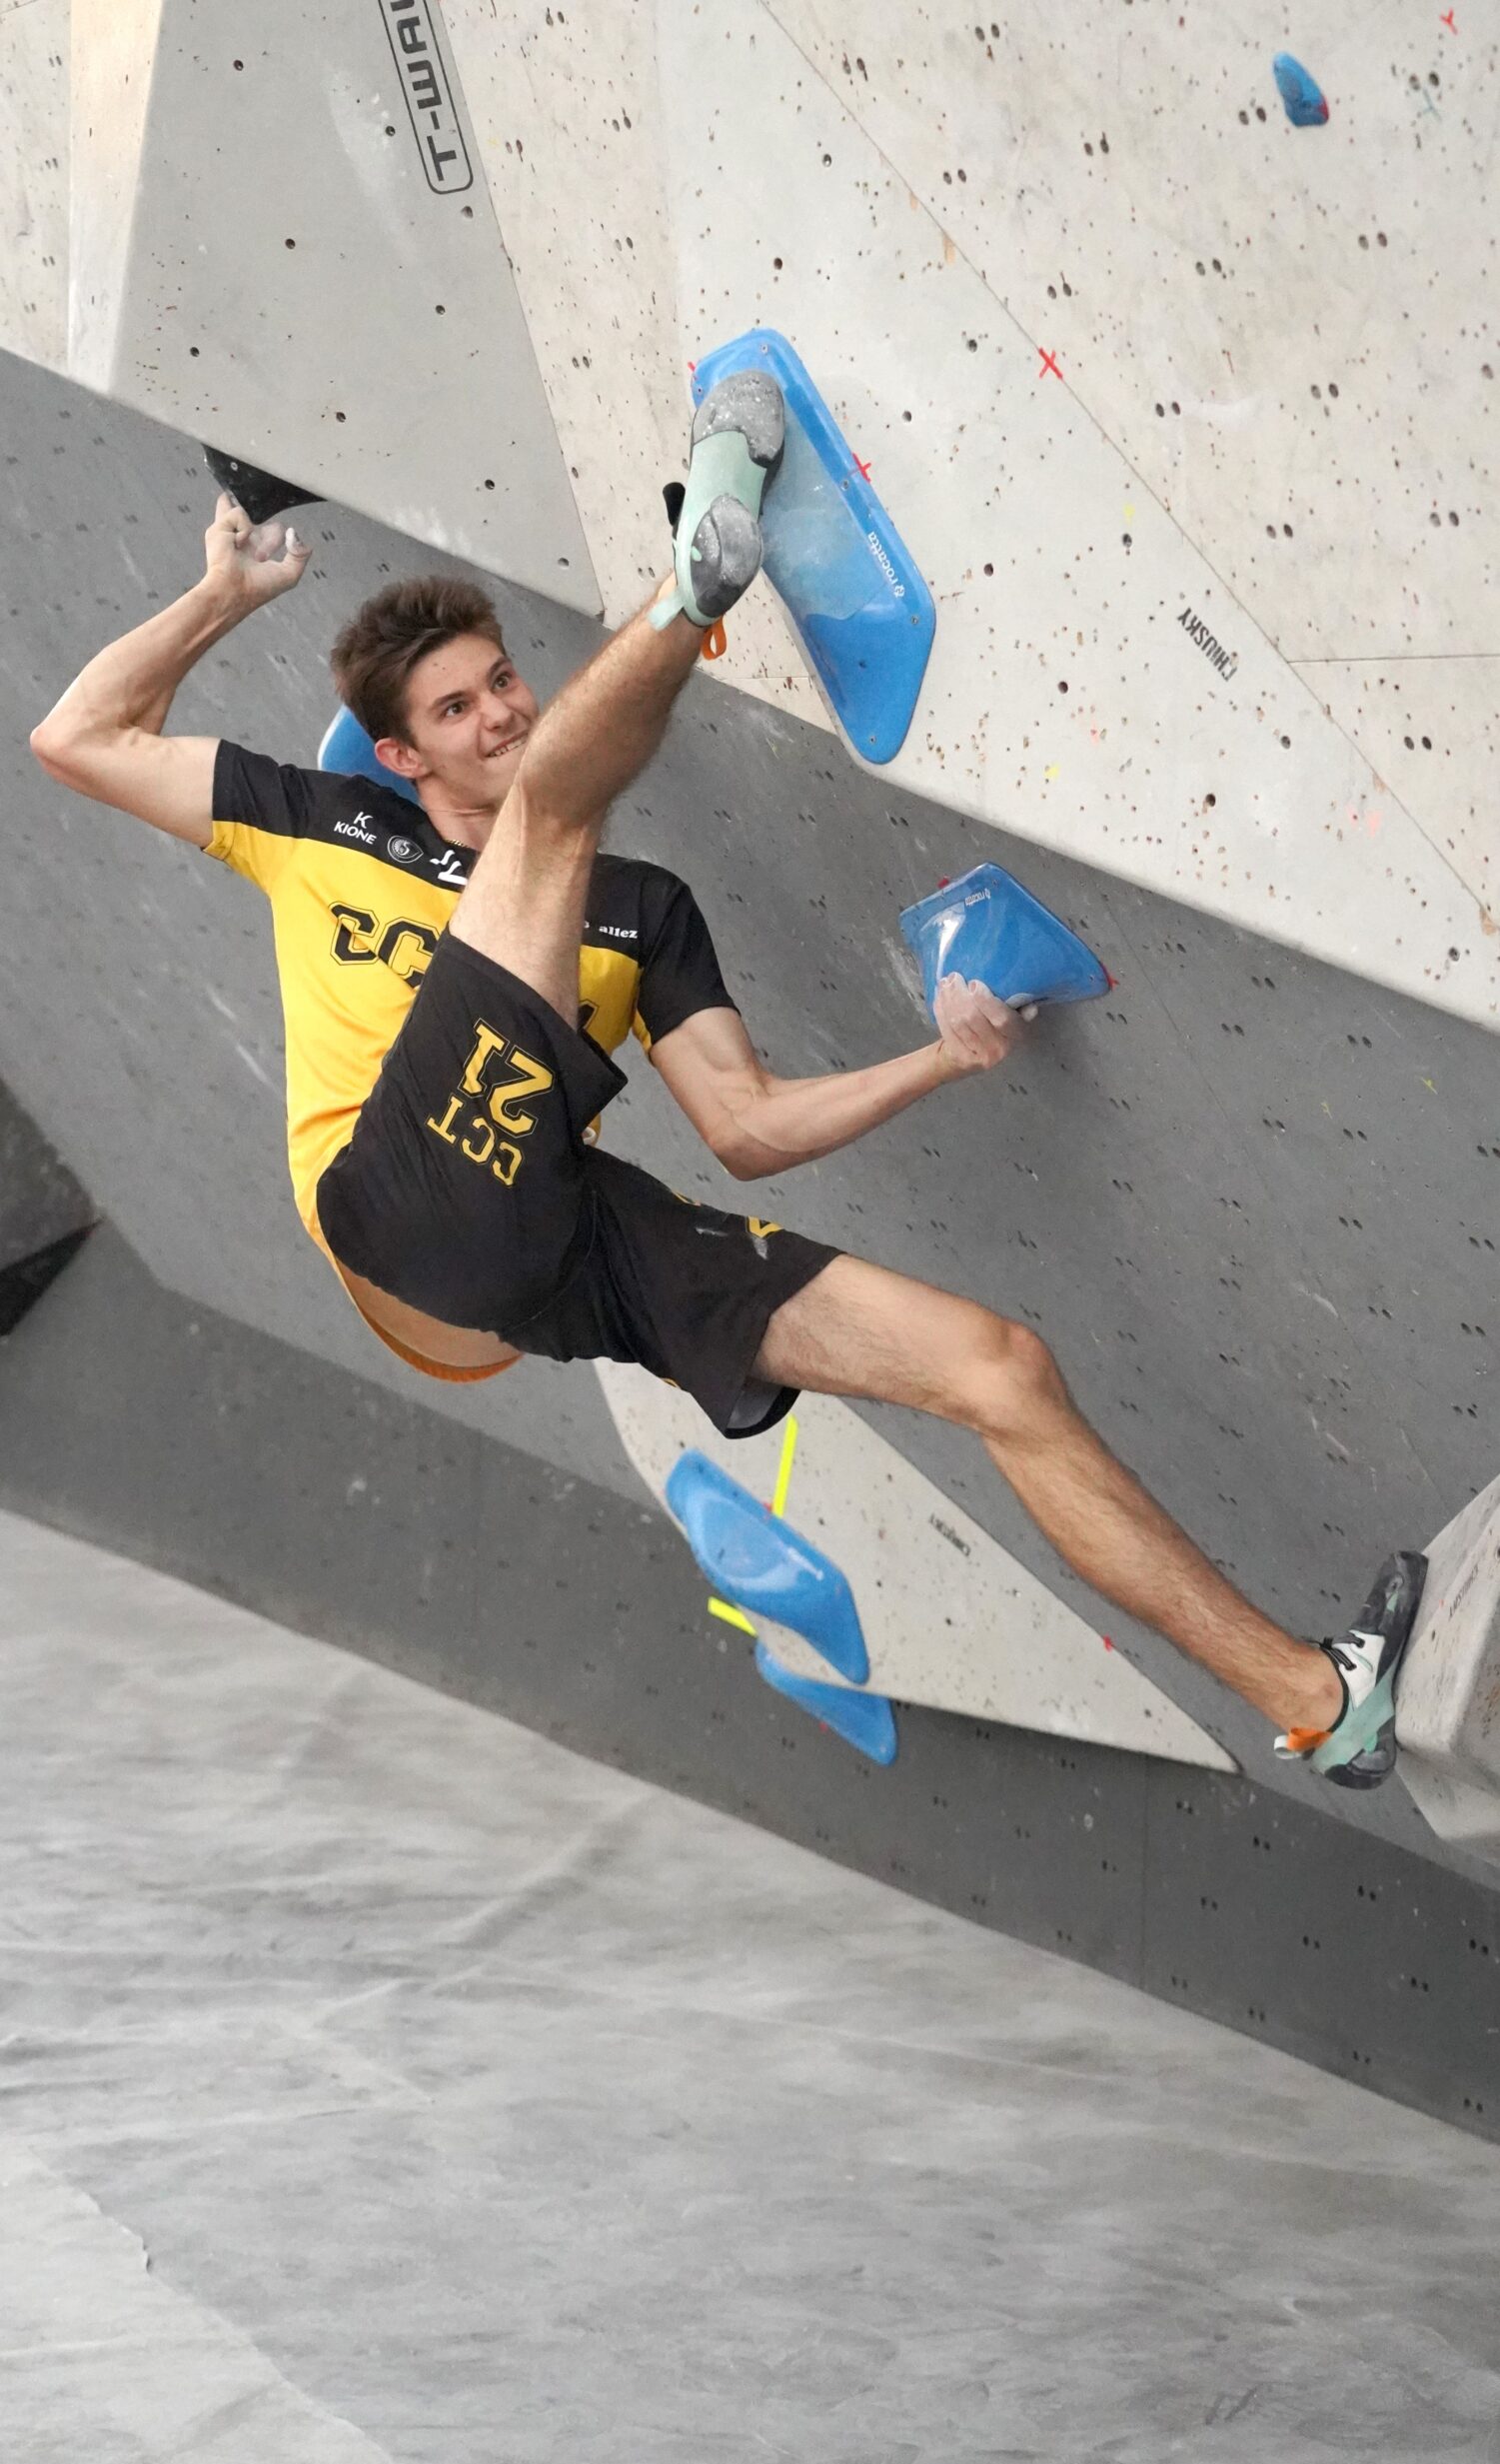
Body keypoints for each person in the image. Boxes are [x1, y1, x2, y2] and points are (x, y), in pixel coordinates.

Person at [30, 373, 1425, 1789]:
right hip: (388, 1194)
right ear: (400, 755)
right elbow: (75, 739)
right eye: (457, 709)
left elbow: (747, 1130)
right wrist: (221, 595)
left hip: (555, 1236)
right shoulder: (318, 823)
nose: (500, 712)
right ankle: (695, 582)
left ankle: (1323, 1705)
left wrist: (938, 1057)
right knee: (552, 822)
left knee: (998, 1369)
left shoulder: (639, 913)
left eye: (504, 680)